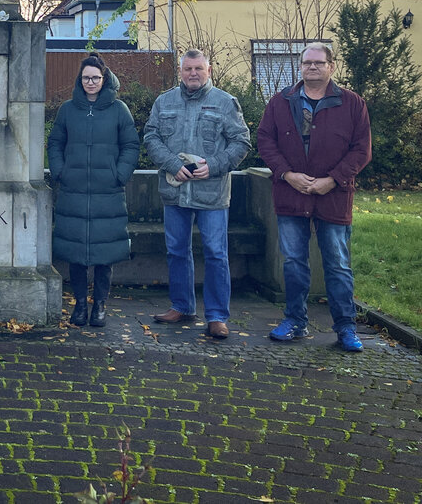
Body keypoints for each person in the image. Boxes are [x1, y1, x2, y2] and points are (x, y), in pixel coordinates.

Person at [257, 42, 372, 352]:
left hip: (333, 196)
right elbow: (265, 140)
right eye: (307, 62)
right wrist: (287, 174)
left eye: (319, 63)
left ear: (331, 66)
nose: (312, 67)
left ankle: (346, 327)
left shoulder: (352, 103)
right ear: (300, 67)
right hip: (290, 195)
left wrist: (333, 180)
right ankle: (295, 320)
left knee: (338, 264)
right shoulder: (281, 102)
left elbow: (362, 150)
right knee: (294, 262)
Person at [144, 50, 251, 340]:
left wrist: (214, 166)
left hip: (211, 194)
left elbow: (241, 142)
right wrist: (172, 164)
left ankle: (217, 316)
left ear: (209, 70)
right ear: (180, 71)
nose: (193, 73)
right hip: (175, 192)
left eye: (198, 68)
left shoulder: (225, 102)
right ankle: (182, 306)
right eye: (188, 68)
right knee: (177, 251)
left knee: (216, 254)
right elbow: (151, 137)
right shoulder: (164, 101)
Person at [47, 55, 140, 328]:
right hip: (73, 191)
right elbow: (55, 142)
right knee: (76, 254)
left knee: (104, 255)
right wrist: (60, 171)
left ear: (104, 79)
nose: (91, 82)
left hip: (107, 193)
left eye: (95, 78)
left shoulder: (119, 109)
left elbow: (131, 145)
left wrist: (119, 174)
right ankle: (79, 304)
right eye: (86, 78)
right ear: (80, 79)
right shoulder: (67, 110)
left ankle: (99, 305)